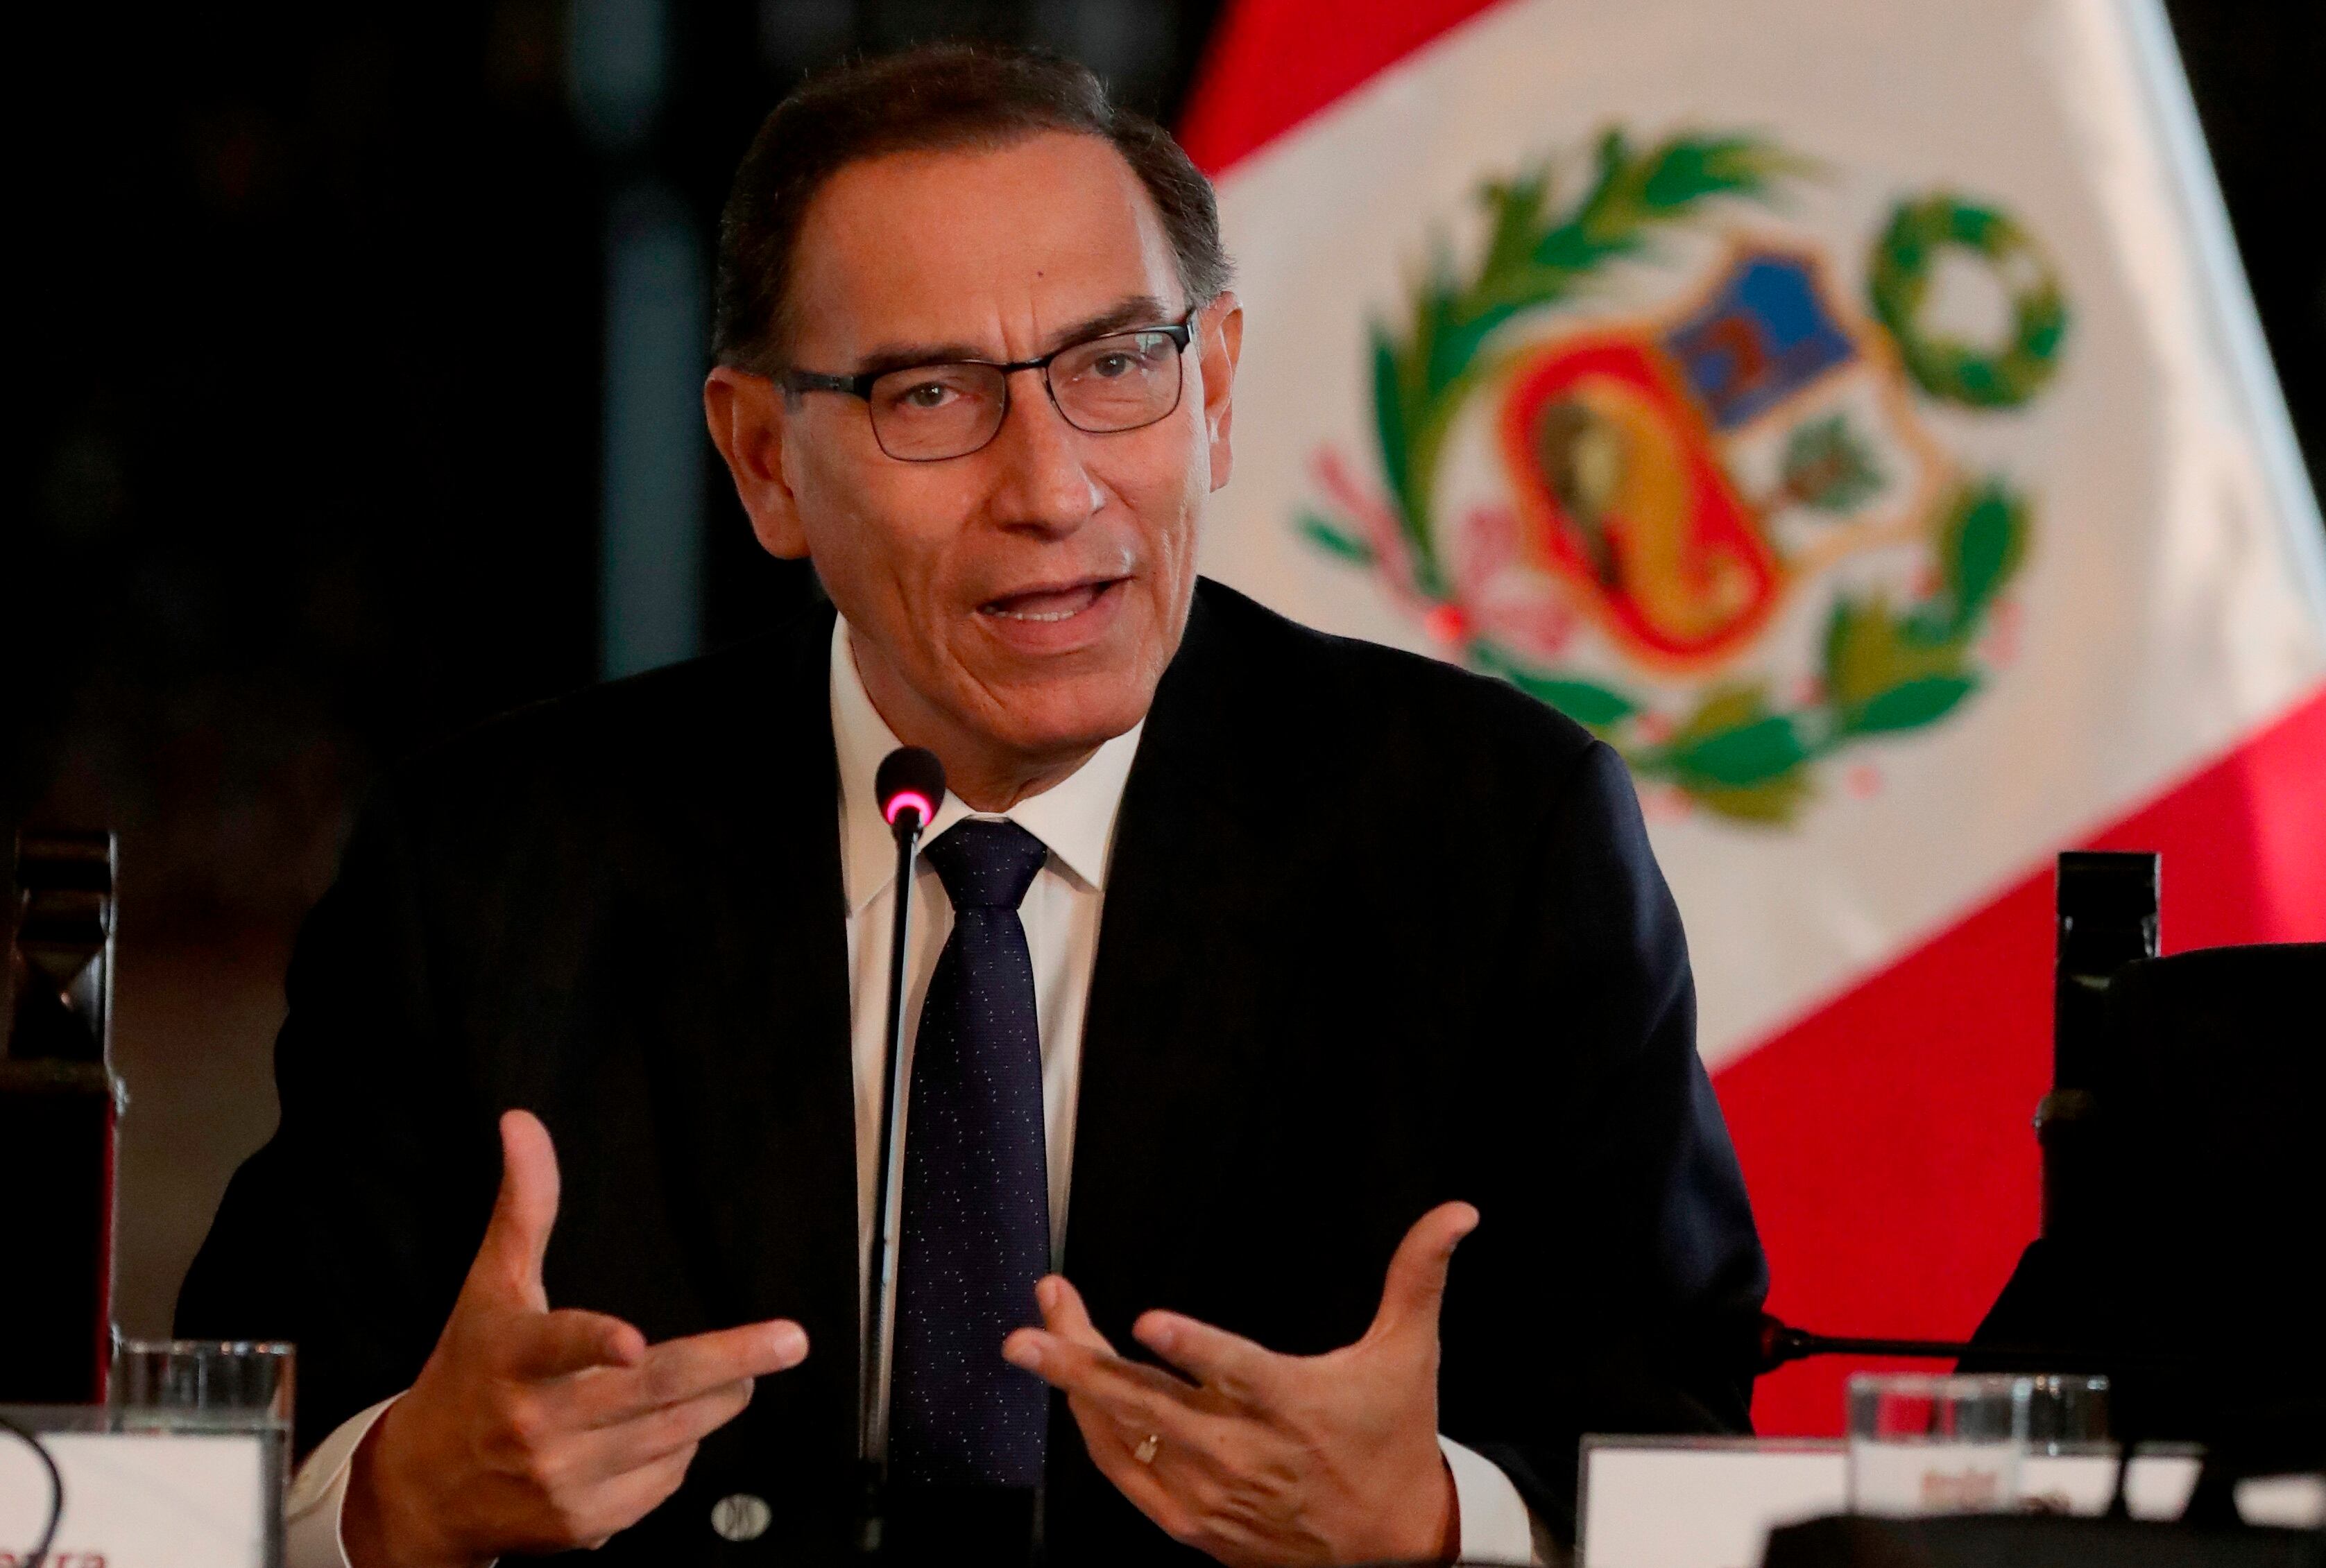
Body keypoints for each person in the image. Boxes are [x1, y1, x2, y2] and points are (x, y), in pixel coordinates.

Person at [179, 42, 1768, 1568]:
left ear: (1212, 388)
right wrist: (397, 1500)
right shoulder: (489, 867)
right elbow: (214, 1459)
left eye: (1113, 366)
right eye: (932, 395)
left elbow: (1684, 1460)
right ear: (763, 463)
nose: (1054, 487)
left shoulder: (1497, 842)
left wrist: (1432, 1524)